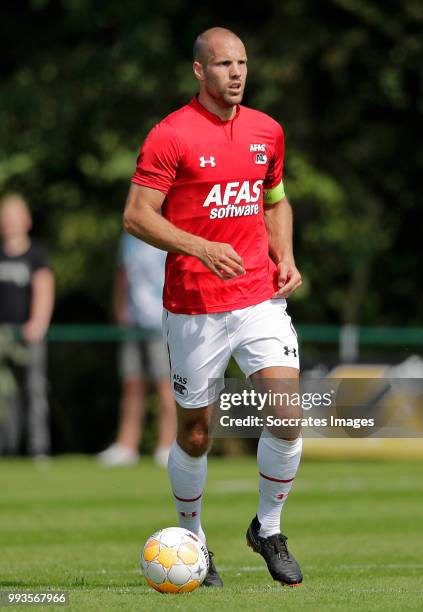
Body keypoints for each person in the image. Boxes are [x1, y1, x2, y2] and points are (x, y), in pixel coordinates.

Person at [123, 27, 303, 587]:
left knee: (287, 414)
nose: (237, 73)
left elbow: (274, 199)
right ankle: (194, 542)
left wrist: (286, 256)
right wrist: (200, 246)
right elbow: (136, 215)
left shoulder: (266, 130)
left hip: (257, 297)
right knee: (196, 433)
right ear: (199, 71)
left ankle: (268, 529)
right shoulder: (170, 135)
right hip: (194, 304)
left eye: (243, 63)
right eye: (224, 64)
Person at [97, 232, 176, 467]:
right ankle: (127, 446)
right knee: (131, 385)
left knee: (165, 386)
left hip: (161, 320)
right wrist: (120, 310)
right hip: (133, 322)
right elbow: (123, 275)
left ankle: (166, 445)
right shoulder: (129, 238)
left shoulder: (170, 231)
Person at [0, 193, 54, 458]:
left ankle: (38, 449)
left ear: (26, 220)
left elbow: (44, 289)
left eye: (14, 216)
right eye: (5, 216)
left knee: (34, 390)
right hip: (2, 337)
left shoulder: (36, 254)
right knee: (4, 395)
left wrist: (37, 323)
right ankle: (7, 449)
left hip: (28, 335)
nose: (9, 222)